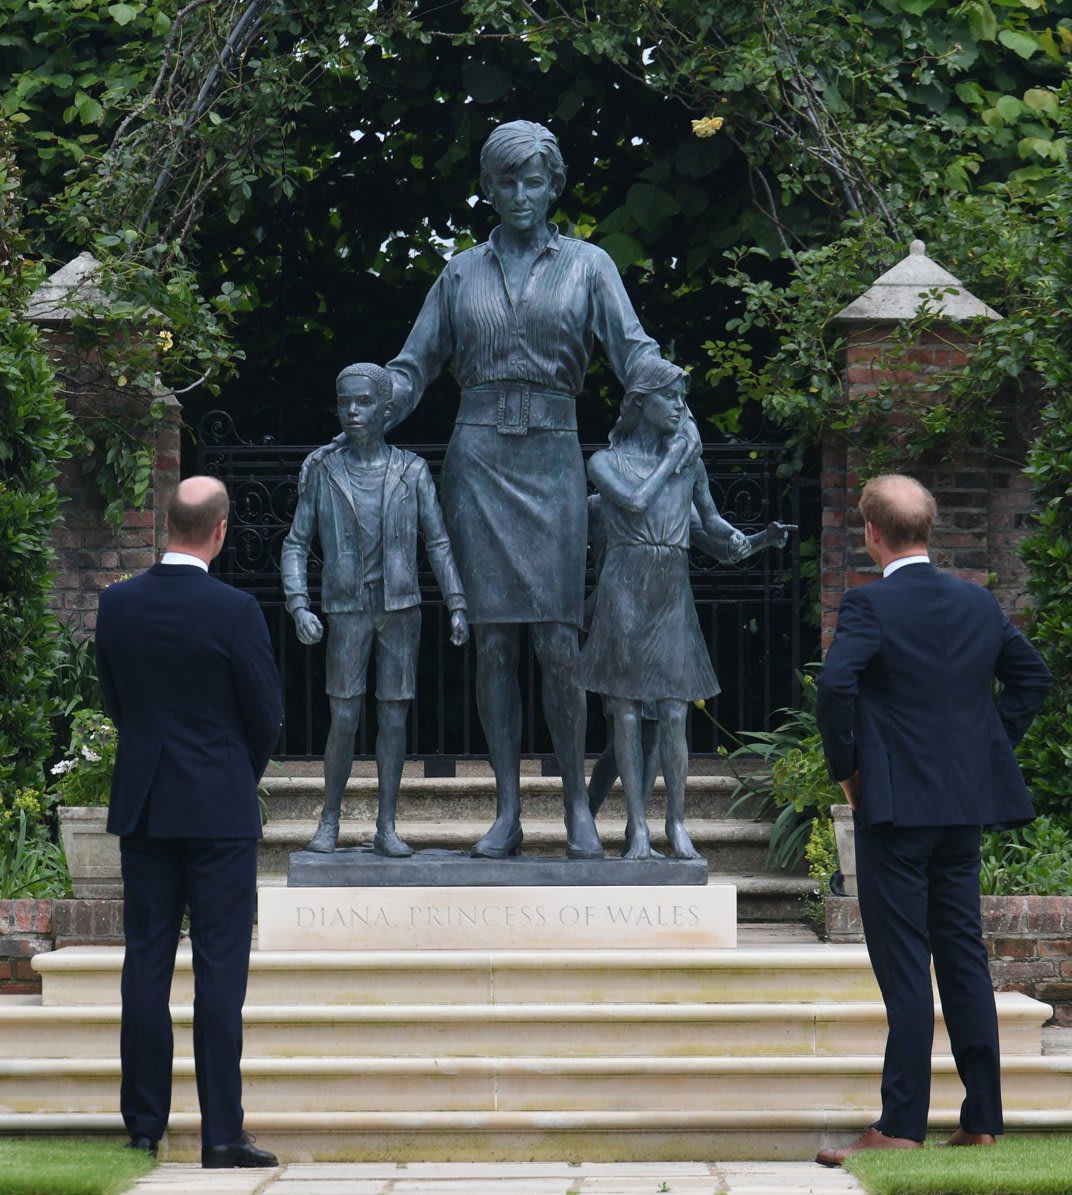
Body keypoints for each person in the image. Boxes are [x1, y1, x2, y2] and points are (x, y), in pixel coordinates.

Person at [300, 120, 696, 860]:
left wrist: (675, 402)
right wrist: (370, 403)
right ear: (488, 187)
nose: (520, 194)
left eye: (533, 180)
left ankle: (578, 804)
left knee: (555, 639)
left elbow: (633, 350)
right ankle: (508, 809)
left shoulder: (589, 267)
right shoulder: (459, 274)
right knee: (491, 645)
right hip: (478, 463)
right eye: (506, 181)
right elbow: (413, 367)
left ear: (555, 186)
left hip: (551, 460)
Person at [813, 474, 1053, 1167]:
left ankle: (899, 1125)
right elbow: (1031, 678)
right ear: (930, 529)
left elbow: (835, 685)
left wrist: (849, 769)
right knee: (962, 956)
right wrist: (985, 748)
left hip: (894, 811)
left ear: (872, 534)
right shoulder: (976, 602)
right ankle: (982, 1118)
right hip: (961, 811)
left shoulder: (869, 605)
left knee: (905, 967)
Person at [95, 476, 283, 1168]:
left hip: (146, 805)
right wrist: (233, 771)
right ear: (220, 530)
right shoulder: (236, 611)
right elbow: (265, 714)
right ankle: (222, 1134)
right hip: (218, 811)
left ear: (165, 524)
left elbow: (115, 699)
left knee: (145, 963)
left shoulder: (117, 605)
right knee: (219, 972)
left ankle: (143, 1125)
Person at [280, 363, 469, 856]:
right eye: (345, 402)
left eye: (363, 402)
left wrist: (456, 603)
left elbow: (439, 541)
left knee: (394, 718)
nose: (352, 411)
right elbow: (296, 544)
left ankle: (387, 825)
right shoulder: (323, 470)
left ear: (387, 410)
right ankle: (330, 819)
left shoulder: (411, 470)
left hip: (400, 608)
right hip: (346, 609)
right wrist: (298, 604)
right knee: (343, 717)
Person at [576, 361, 753, 859]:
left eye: (682, 399)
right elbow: (633, 502)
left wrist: (745, 539)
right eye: (670, 398)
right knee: (627, 712)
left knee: (675, 708)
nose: (679, 407)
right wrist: (674, 455)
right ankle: (636, 828)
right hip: (625, 585)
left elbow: (711, 521)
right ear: (640, 404)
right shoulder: (605, 462)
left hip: (671, 586)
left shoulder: (690, 464)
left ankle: (676, 823)